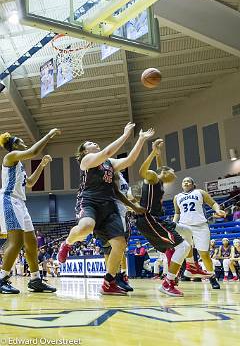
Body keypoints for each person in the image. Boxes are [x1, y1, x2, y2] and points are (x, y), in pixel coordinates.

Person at [58, 123, 154, 295]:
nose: (94, 143)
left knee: (120, 244)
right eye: (90, 143)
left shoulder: (109, 163)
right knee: (86, 226)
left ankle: (109, 282)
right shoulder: (86, 161)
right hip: (89, 201)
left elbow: (129, 160)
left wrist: (140, 140)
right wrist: (125, 135)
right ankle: (67, 244)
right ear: (84, 151)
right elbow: (107, 152)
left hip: (108, 205)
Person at [0, 128, 61, 294]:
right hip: (9, 200)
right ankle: (2, 278)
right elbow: (33, 151)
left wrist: (41, 165)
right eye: (18, 140)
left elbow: (31, 183)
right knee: (17, 241)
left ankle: (35, 280)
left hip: (20, 203)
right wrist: (48, 135)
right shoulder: (10, 157)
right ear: (13, 144)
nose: (22, 141)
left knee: (32, 242)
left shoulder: (19, 165)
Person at [136, 139, 191, 297]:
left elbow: (162, 168)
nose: (175, 175)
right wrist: (153, 153)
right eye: (173, 172)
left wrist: (158, 153)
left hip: (156, 219)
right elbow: (142, 171)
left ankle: (178, 271)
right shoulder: (153, 177)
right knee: (184, 246)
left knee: (185, 236)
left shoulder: (159, 180)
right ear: (167, 173)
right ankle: (168, 282)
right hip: (149, 218)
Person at [173, 177, 226, 289]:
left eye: (188, 181)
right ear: (182, 185)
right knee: (184, 251)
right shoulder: (177, 197)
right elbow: (177, 213)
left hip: (200, 226)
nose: (186, 182)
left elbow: (212, 203)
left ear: (193, 184)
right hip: (184, 226)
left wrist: (217, 210)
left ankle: (212, 276)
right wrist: (173, 224)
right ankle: (179, 275)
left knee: (204, 255)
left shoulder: (200, 192)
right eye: (184, 181)